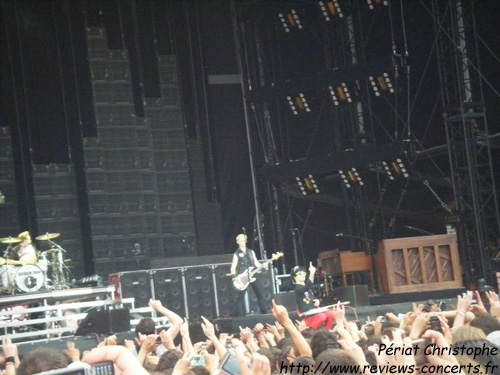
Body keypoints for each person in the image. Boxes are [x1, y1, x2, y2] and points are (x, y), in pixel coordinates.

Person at [230, 233, 269, 316]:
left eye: (244, 240)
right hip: (243, 276)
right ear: (237, 242)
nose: (243, 242)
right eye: (241, 241)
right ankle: (238, 315)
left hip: (252, 275)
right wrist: (235, 277)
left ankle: (264, 312)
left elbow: (256, 263)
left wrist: (263, 266)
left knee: (259, 293)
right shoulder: (236, 254)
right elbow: (233, 267)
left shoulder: (251, 252)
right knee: (241, 297)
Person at [291, 262, 335, 329]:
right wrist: (311, 273)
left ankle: (327, 332)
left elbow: (311, 298)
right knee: (321, 316)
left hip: (314, 311)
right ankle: (310, 332)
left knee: (330, 314)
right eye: (300, 274)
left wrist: (317, 301)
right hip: (307, 315)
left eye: (304, 273)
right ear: (294, 276)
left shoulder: (308, 289)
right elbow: (308, 286)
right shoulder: (297, 288)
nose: (303, 275)